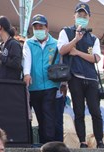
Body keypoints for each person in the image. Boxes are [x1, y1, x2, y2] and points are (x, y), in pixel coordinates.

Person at [58, 3, 104, 148]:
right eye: (79, 15)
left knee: (96, 112)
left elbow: (96, 58)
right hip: (74, 77)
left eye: (85, 16)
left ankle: (100, 141)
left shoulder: (93, 38)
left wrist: (78, 52)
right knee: (78, 111)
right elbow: (62, 50)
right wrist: (76, 40)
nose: (82, 18)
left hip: (91, 78)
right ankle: (83, 142)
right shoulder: (66, 32)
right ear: (74, 16)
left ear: (89, 17)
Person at [23, 14, 61, 144]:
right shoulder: (28, 43)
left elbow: (62, 63)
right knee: (40, 116)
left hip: (51, 85)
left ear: (47, 28)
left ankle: (49, 142)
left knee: (49, 114)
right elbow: (27, 59)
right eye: (36, 27)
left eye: (41, 27)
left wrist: (64, 83)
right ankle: (44, 142)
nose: (38, 29)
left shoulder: (56, 43)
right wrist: (26, 74)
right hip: (34, 86)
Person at [0, 16, 23, 80]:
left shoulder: (14, 44)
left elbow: (16, 64)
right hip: (0, 83)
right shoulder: (0, 46)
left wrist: (0, 55)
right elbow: (0, 66)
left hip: (11, 84)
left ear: (0, 27)